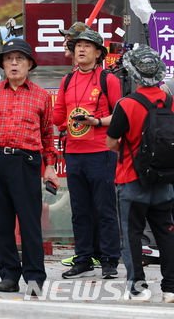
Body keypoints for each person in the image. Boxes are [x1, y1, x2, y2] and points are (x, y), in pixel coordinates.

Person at [0, 38, 59, 294]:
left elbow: (48, 137)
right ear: (3, 65)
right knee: (2, 221)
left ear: (30, 64)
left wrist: (50, 166)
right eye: (9, 59)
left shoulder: (41, 96)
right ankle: (8, 274)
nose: (14, 63)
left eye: (20, 59)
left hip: (27, 162)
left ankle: (34, 276)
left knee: (29, 222)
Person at [105, 46, 174, 302]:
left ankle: (138, 287)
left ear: (134, 74)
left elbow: (111, 142)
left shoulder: (126, 104)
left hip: (131, 180)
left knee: (132, 235)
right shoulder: (170, 100)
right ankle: (170, 288)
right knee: (166, 232)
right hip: (164, 179)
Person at [53, 30, 121, 279]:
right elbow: (58, 116)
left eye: (87, 46)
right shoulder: (67, 80)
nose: (80, 50)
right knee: (79, 209)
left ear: (98, 53)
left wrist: (97, 121)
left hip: (101, 152)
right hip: (73, 153)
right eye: (77, 46)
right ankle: (83, 258)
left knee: (104, 208)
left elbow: (119, 115)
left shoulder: (108, 79)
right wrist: (67, 123)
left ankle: (109, 259)